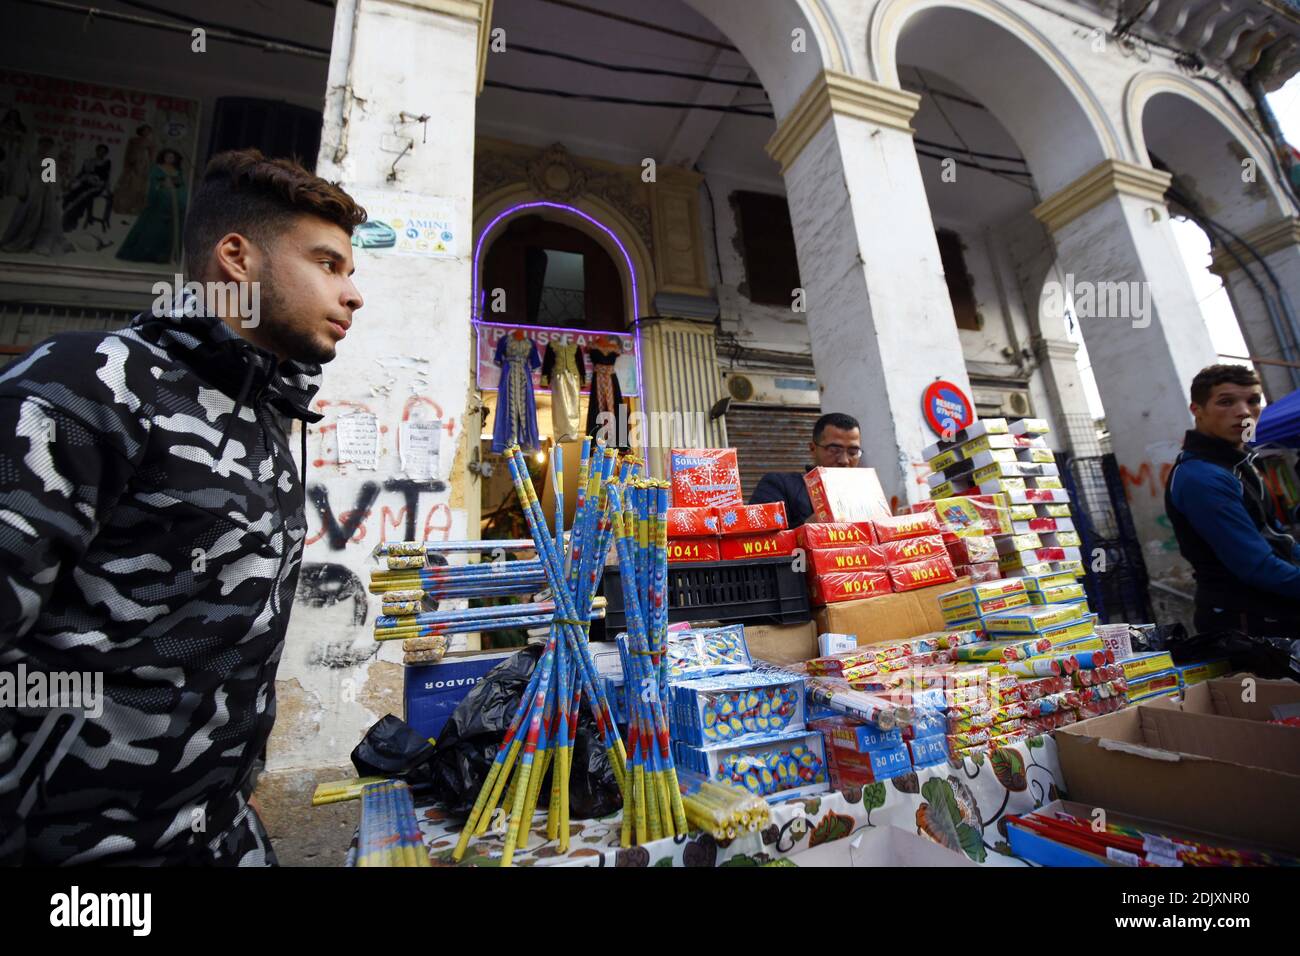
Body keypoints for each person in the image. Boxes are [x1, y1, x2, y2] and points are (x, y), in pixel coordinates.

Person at [0, 148, 366, 865]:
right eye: (329, 264)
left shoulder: (262, 418)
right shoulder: (87, 388)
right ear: (237, 258)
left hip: (222, 837)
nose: (353, 294)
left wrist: (226, 780)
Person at [1165, 364, 1300, 637]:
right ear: (1197, 410)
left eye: (1253, 401)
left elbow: (1277, 537)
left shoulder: (1239, 465)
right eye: (1226, 402)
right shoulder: (1203, 477)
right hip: (1248, 624)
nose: (1244, 411)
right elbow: (1256, 566)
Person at [749, 412, 862, 528]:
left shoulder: (865, 492)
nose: (844, 460)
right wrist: (807, 529)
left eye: (853, 452)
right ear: (813, 449)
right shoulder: (778, 485)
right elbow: (759, 541)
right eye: (834, 450)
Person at [116, 148, 187, 263]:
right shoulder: (157, 169)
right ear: (163, 157)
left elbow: (181, 186)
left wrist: (180, 198)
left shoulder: (177, 171)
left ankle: (165, 256)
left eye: (172, 157)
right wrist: (161, 186)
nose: (169, 159)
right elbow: (153, 184)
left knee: (169, 230)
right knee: (154, 228)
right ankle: (146, 255)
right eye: (167, 156)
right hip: (159, 203)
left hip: (173, 204)